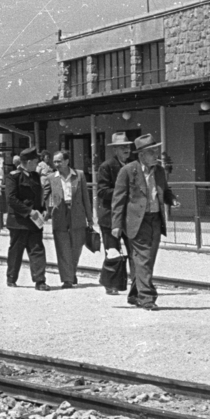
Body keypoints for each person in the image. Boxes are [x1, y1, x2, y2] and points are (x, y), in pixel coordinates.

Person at [110, 134, 175, 310]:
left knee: (148, 260)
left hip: (155, 220)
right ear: (141, 155)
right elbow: (118, 199)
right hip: (137, 222)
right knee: (143, 259)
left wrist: (172, 199)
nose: (156, 155)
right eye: (151, 152)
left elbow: (165, 191)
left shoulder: (159, 171)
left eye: (156, 151)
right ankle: (147, 298)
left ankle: (134, 294)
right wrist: (116, 225)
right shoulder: (128, 171)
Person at [44, 150, 94, 288]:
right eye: (54, 162)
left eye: (59, 161)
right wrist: (46, 210)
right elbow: (44, 196)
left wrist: (90, 219)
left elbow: (86, 198)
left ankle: (71, 273)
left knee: (76, 246)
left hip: (77, 214)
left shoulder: (79, 175)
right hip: (60, 215)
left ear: (67, 161)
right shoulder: (51, 177)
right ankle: (67, 279)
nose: (56, 164)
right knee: (62, 247)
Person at [2, 145, 49, 290]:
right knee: (16, 251)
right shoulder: (13, 176)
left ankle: (40, 281)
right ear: (28, 162)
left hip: (34, 221)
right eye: (36, 161)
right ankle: (11, 278)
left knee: (37, 250)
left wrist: (43, 210)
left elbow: (37, 197)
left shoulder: (35, 176)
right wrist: (29, 211)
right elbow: (11, 199)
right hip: (19, 221)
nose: (38, 164)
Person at [94, 133, 134, 295]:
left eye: (128, 146)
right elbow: (103, 191)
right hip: (110, 217)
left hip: (129, 217)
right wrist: (124, 192)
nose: (126, 149)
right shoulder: (107, 166)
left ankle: (136, 284)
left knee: (133, 251)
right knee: (113, 252)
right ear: (115, 149)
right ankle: (110, 284)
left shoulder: (133, 165)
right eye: (123, 147)